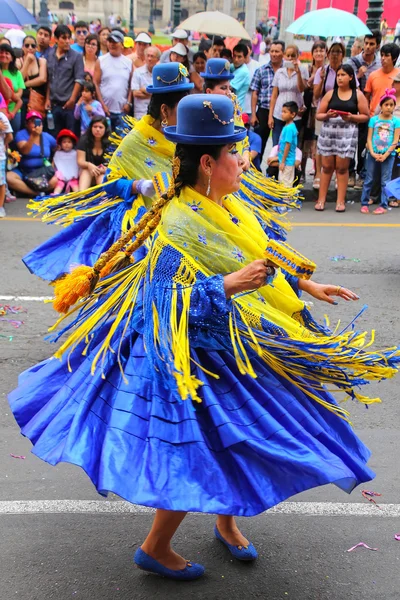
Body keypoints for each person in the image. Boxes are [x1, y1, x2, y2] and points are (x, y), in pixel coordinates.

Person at [10, 94, 400, 583]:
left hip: (234, 342)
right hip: (190, 360)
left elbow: (263, 252)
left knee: (233, 441)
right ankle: (155, 545)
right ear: (210, 162)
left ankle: (226, 521)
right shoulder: (176, 225)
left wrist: (305, 284)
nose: (244, 159)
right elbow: (160, 300)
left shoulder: (228, 206)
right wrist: (229, 285)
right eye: (235, 151)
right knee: (195, 447)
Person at [23, 63, 193, 282]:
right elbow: (110, 182)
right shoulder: (136, 140)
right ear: (164, 110)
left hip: (185, 218)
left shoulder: (188, 136)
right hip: (147, 222)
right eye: (183, 107)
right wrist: (139, 186)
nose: (189, 114)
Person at [315, 64, 369, 212]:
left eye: (343, 75)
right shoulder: (330, 93)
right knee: (326, 167)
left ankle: (340, 201)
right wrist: (327, 115)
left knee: (342, 168)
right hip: (329, 132)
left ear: (351, 77)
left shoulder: (357, 94)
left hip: (347, 134)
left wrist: (351, 117)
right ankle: (321, 200)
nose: (339, 78)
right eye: (338, 75)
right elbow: (319, 114)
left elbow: (366, 115)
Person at [347, 30, 382, 189]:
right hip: (353, 107)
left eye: (371, 44)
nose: (368, 47)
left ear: (377, 46)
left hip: (369, 110)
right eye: (366, 43)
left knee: (363, 142)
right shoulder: (353, 62)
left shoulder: (380, 64)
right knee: (349, 141)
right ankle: (349, 172)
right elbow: (346, 83)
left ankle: (362, 173)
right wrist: (358, 75)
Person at [360, 89, 400, 214]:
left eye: (391, 105)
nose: (388, 107)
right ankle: (364, 202)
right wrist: (372, 152)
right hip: (373, 153)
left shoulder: (396, 121)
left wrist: (386, 154)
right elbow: (369, 137)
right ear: (381, 106)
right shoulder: (374, 120)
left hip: (388, 155)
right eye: (386, 105)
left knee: (385, 181)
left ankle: (383, 205)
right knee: (369, 179)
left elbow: (395, 139)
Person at [313, 42, 346, 190]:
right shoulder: (322, 71)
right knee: (321, 145)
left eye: (338, 52)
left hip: (341, 114)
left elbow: (353, 91)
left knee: (340, 146)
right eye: (332, 52)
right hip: (324, 113)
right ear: (328, 54)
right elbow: (315, 94)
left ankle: (339, 176)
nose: (335, 55)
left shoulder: (346, 71)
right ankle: (319, 175)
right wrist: (321, 78)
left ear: (343, 55)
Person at [6, 110, 57, 196]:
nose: (35, 124)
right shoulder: (21, 134)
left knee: (55, 180)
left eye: (37, 121)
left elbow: (58, 149)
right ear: (26, 124)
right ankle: (35, 193)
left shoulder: (47, 136)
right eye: (32, 121)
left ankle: (25, 191)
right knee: (8, 177)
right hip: (24, 172)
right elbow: (24, 151)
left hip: (42, 173)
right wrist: (33, 136)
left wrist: (52, 164)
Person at [46, 25, 85, 136]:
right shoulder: (49, 55)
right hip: (53, 105)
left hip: (69, 106)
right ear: (56, 39)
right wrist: (47, 99)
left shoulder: (76, 56)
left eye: (69, 38)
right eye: (64, 38)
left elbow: (79, 80)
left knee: (70, 137)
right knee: (53, 137)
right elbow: (49, 79)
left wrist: (72, 100)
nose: (67, 41)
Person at [250, 40, 285, 157]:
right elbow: (255, 93)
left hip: (281, 111)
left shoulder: (287, 71)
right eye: (272, 51)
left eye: (277, 51)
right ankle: (256, 169)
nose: (274, 54)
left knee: (280, 144)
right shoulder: (261, 70)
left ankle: (274, 172)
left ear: (283, 53)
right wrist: (254, 114)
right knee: (259, 143)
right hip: (263, 110)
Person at [94, 29, 133, 131]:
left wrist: (128, 102)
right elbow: (96, 83)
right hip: (105, 110)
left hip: (122, 110)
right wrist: (102, 105)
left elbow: (131, 85)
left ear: (121, 44)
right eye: (110, 41)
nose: (112, 44)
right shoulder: (101, 61)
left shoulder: (128, 62)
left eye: (115, 42)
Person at [268, 44, 307, 146]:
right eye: (288, 55)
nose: (290, 58)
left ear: (297, 56)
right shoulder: (280, 72)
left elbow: (302, 89)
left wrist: (298, 72)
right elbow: (274, 95)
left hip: (295, 113)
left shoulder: (303, 70)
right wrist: (270, 116)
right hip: (279, 112)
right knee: (277, 145)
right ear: (284, 56)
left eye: (293, 55)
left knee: (291, 145)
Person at [300, 41, 327, 182]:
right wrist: (312, 79)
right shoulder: (308, 68)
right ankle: (302, 172)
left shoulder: (327, 70)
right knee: (304, 139)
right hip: (307, 108)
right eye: (316, 50)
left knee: (317, 142)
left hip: (320, 109)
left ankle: (318, 172)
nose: (319, 53)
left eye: (321, 50)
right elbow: (302, 86)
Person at [364, 43, 400, 117]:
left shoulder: (398, 76)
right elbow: (366, 97)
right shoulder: (373, 75)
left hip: (394, 118)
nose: (383, 58)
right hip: (375, 118)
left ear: (394, 58)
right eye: (382, 55)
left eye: (386, 55)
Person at [18, 36, 47, 120]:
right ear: (22, 47)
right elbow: (19, 79)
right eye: (27, 45)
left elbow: (43, 79)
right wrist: (27, 62)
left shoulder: (41, 61)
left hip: (37, 101)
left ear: (36, 48)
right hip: (23, 101)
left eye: (33, 46)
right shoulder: (18, 61)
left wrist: (25, 84)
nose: (30, 48)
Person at [76, 116, 109, 189]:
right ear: (91, 128)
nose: (97, 129)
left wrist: (106, 169)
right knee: (86, 172)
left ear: (105, 129)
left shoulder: (111, 142)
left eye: (100, 127)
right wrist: (89, 165)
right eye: (95, 126)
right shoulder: (83, 140)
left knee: (102, 179)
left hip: (103, 172)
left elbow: (115, 164)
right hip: (87, 170)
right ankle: (81, 197)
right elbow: (80, 161)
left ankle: (104, 198)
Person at [131, 46, 161, 119]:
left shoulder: (160, 74)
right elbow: (135, 93)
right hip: (140, 113)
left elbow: (162, 95)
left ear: (157, 59)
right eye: (148, 56)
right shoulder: (138, 72)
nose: (149, 59)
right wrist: (154, 93)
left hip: (156, 114)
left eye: (152, 56)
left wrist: (143, 90)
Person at [0, 44, 24, 132]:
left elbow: (19, 93)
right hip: (2, 109)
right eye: (1, 52)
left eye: (7, 53)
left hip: (13, 109)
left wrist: (11, 114)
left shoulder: (17, 73)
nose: (3, 55)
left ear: (12, 58)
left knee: (11, 137)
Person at [277, 101, 299, 187]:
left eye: (285, 112)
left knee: (285, 183)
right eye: (282, 111)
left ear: (293, 114)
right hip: (286, 160)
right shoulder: (288, 126)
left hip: (287, 161)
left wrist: (283, 162)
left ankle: (286, 200)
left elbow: (287, 145)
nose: (282, 114)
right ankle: (286, 199)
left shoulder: (289, 128)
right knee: (283, 181)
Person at [52, 128, 79, 194]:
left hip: (73, 177)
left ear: (73, 143)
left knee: (76, 189)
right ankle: (54, 197)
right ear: (60, 144)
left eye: (69, 142)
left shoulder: (75, 153)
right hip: (60, 177)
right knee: (58, 186)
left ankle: (79, 196)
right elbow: (54, 163)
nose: (67, 144)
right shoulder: (58, 153)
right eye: (64, 142)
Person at [0, 110, 13, 218]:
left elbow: (10, 136)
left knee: (1, 182)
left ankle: (0, 208)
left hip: (0, 156)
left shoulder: (2, 117)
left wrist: (4, 145)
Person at [231, 43, 251, 111]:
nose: (236, 59)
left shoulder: (243, 71)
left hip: (236, 110)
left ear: (245, 58)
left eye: (239, 57)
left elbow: (228, 88)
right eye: (234, 56)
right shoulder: (233, 66)